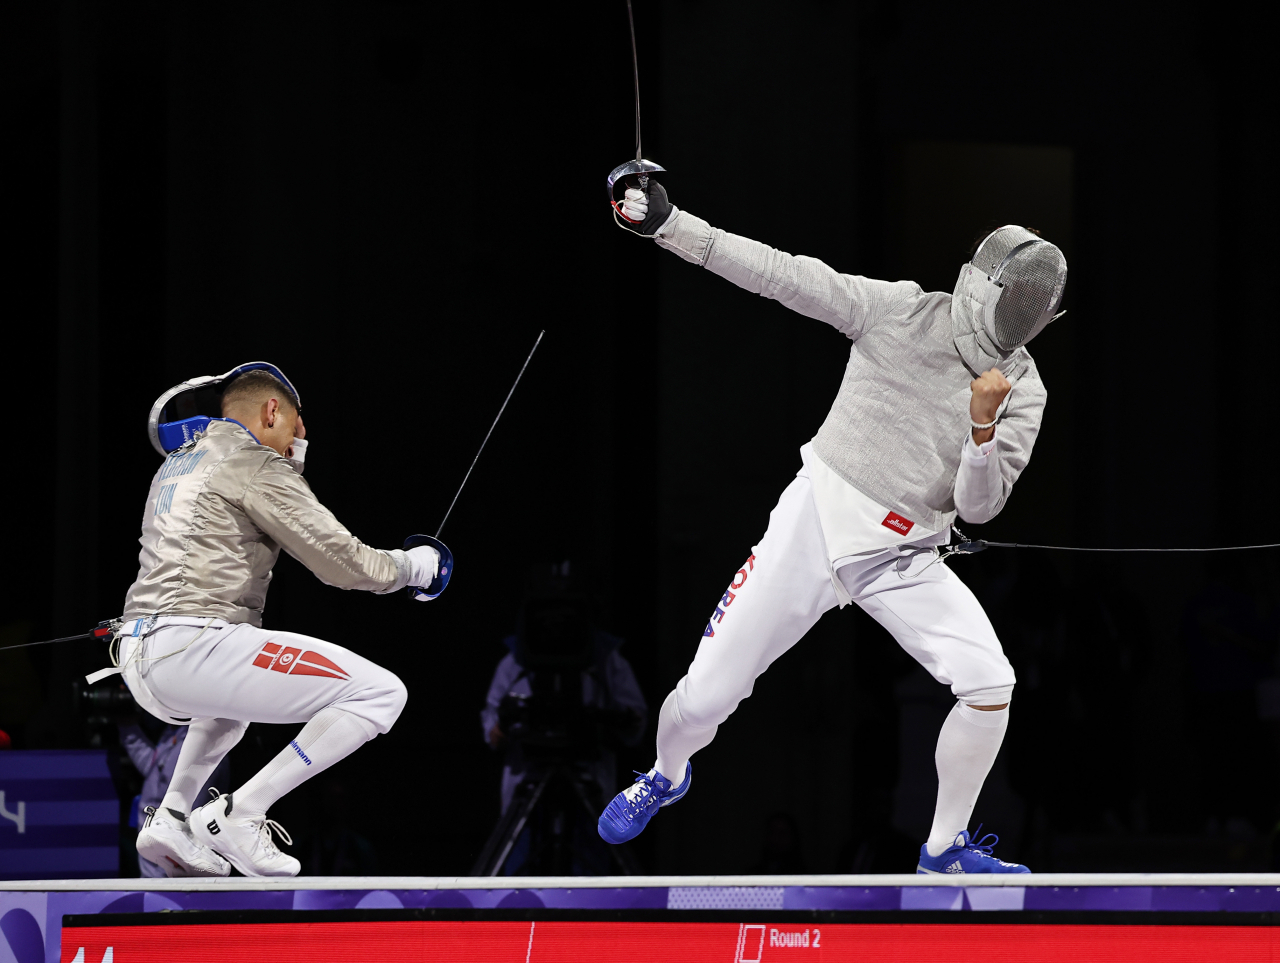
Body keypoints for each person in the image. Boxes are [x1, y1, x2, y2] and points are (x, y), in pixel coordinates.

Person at [596, 180, 1068, 875]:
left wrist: (982, 425)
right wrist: (670, 226)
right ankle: (665, 773)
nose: (1023, 316)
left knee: (988, 680)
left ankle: (944, 849)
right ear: (983, 283)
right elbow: (781, 273)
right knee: (704, 700)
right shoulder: (902, 310)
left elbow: (979, 506)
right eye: (1019, 298)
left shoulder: (1021, 388)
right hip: (815, 522)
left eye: (1036, 306)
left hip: (905, 556)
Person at [107, 366, 441, 877]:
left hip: (141, 654)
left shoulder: (178, 462)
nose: (298, 441)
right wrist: (414, 567)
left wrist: (287, 463)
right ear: (271, 411)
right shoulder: (253, 464)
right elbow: (341, 561)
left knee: (232, 702)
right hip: (193, 647)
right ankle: (240, 813)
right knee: (381, 693)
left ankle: (173, 814)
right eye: (295, 427)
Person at [119, 713, 229, 876]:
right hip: (153, 830)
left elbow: (195, 800)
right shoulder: (172, 733)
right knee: (152, 892)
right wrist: (129, 729)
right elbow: (153, 768)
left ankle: (179, 836)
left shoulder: (206, 740)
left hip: (179, 840)